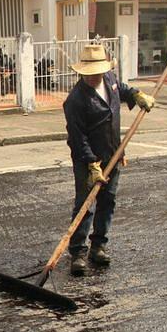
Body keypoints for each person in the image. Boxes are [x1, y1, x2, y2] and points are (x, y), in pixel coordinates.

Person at [63, 44, 155, 275]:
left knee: (108, 201)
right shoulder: (75, 100)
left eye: (98, 72)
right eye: (90, 73)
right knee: (86, 205)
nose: (94, 77)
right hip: (88, 160)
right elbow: (77, 137)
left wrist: (136, 94)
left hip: (114, 153)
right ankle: (78, 252)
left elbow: (121, 89)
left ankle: (99, 246)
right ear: (82, 72)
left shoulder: (109, 79)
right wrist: (91, 163)